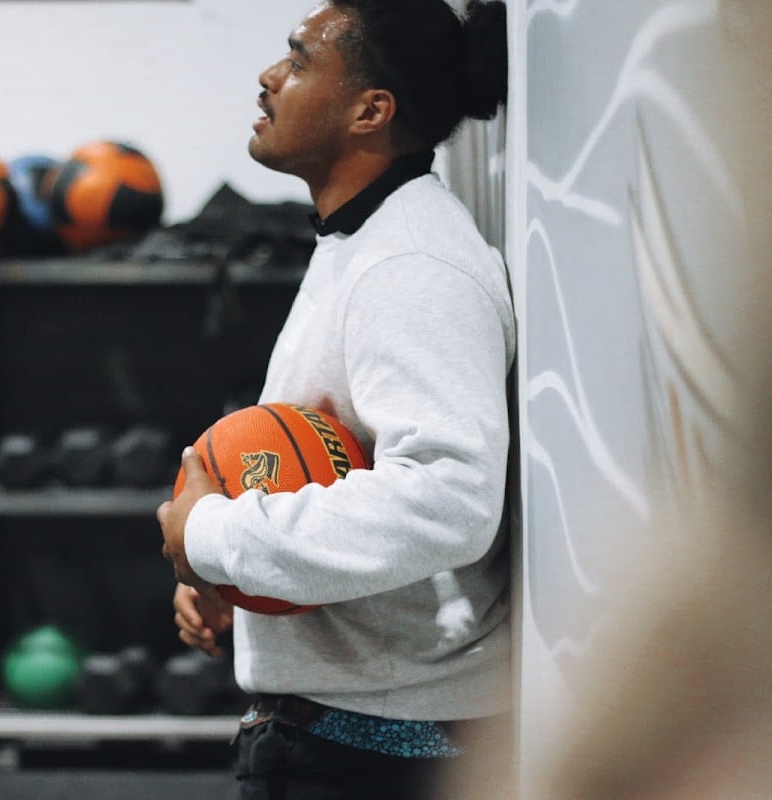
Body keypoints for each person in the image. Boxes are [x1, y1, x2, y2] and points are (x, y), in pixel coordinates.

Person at [156, 1, 513, 797]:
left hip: (378, 756)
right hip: (343, 733)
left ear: (370, 110)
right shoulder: (361, 240)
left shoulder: (412, 268)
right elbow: (325, 456)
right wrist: (233, 581)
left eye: (298, 59)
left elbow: (449, 496)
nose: (267, 77)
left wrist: (217, 536)